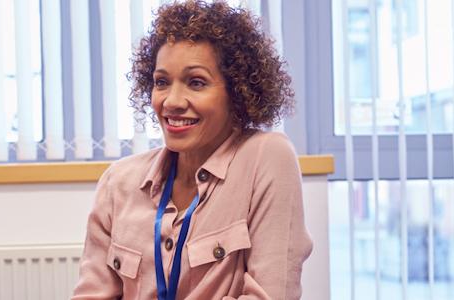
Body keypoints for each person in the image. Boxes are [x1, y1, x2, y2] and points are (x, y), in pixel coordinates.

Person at [72, 1, 312, 299]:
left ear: (237, 91)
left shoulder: (267, 158)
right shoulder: (117, 182)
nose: (171, 101)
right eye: (161, 82)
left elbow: (272, 293)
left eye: (196, 82)